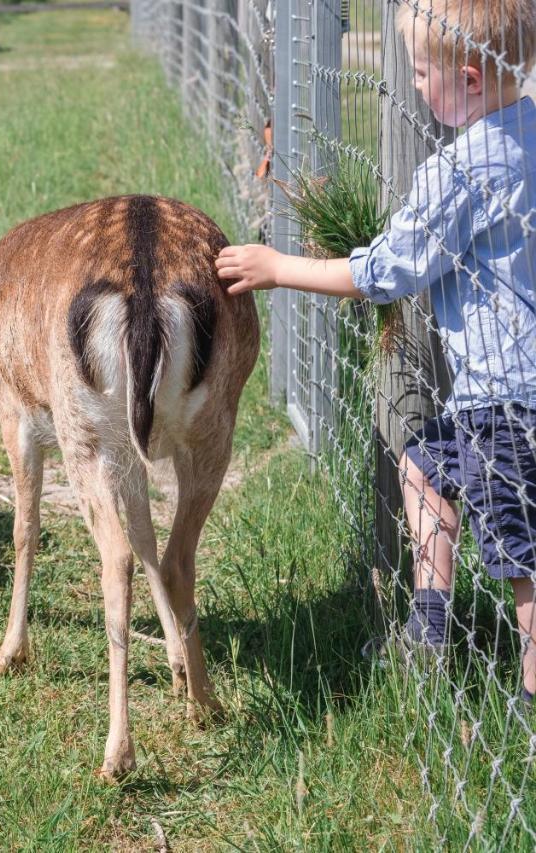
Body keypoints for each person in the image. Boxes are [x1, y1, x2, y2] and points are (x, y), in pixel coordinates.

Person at [216, 0, 536, 701]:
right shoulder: (531, 135)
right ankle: (429, 623)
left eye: (423, 72)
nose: (416, 85)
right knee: (423, 466)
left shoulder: (461, 173)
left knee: (522, 561)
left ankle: (531, 694)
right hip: (506, 389)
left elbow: (384, 272)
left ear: (474, 79)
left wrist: (279, 268)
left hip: (503, 399)